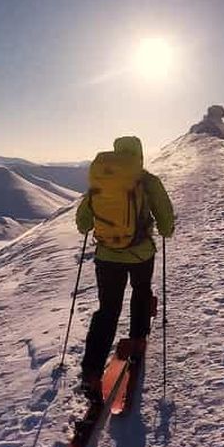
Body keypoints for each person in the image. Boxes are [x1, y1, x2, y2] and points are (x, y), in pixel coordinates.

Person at [75, 135, 174, 401]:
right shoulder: (147, 180)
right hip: (140, 253)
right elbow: (166, 221)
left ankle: (92, 373)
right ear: (139, 155)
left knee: (107, 310)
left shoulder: (102, 179)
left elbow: (83, 222)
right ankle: (138, 339)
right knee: (141, 291)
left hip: (107, 256)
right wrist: (165, 229)